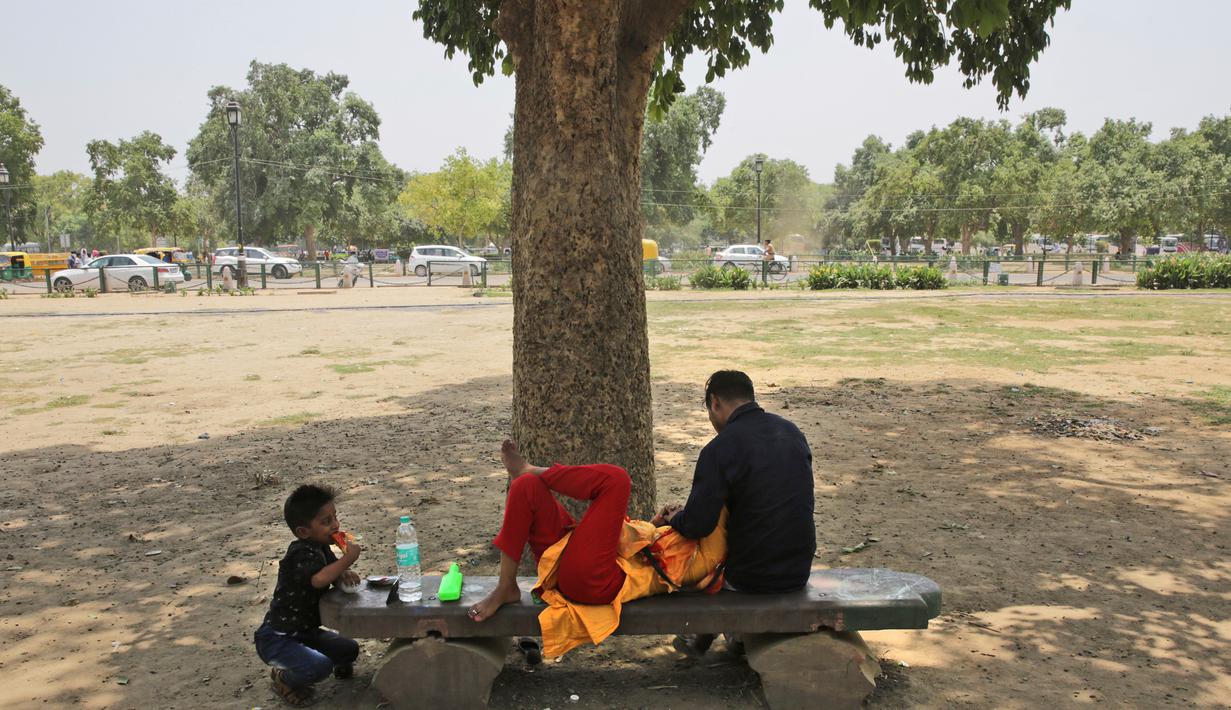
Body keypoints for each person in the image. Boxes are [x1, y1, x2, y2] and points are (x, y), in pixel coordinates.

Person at [468, 441, 726, 659]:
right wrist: (656, 525)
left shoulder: (706, 557)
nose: (684, 508)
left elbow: (699, 528)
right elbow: (634, 548)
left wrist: (682, 521)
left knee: (616, 479)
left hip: (597, 581)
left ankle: (532, 469)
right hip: (567, 562)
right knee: (526, 487)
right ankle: (506, 587)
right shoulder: (681, 535)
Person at [661, 370, 816, 657]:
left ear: (715, 402)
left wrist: (674, 518)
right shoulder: (792, 433)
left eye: (709, 409)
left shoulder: (720, 448)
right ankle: (731, 637)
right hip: (797, 570)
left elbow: (697, 524)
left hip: (752, 576)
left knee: (694, 557)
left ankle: (699, 632)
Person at [254, 485, 362, 707]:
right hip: (278, 637)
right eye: (326, 521)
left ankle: (318, 660)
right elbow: (318, 579)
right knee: (318, 667)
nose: (335, 525)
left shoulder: (322, 547)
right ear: (303, 531)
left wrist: (344, 573)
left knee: (349, 649)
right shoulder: (300, 552)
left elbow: (332, 573)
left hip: (306, 633)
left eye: (335, 517)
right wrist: (348, 560)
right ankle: (284, 678)